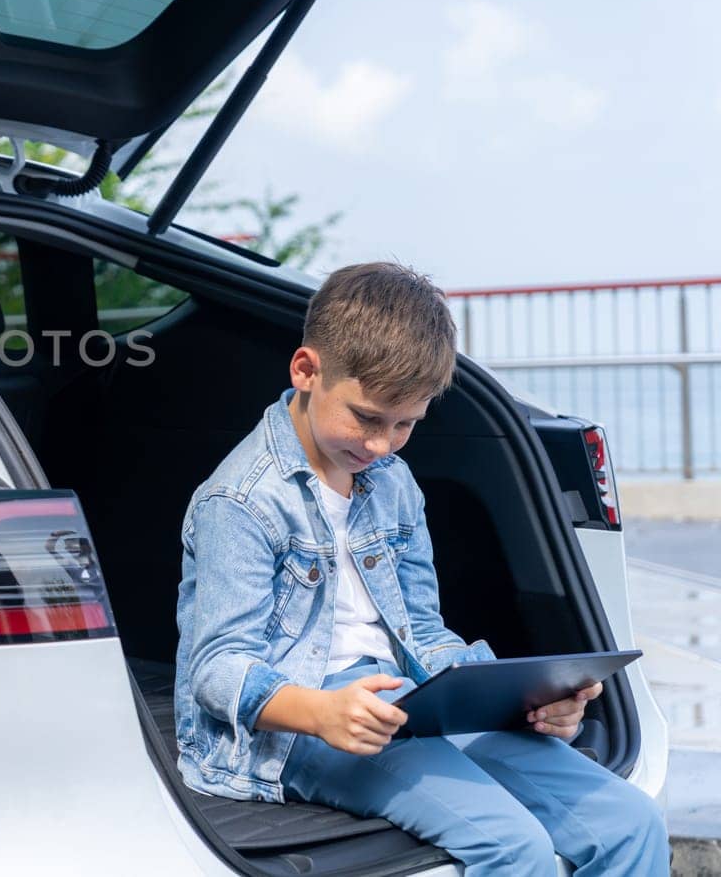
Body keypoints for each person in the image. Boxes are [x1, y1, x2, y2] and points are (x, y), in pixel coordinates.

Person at [174, 262, 667, 876]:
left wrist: (526, 699)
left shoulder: (393, 484)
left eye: (405, 424)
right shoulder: (240, 501)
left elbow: (425, 634)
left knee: (631, 824)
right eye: (367, 418)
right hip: (300, 729)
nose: (382, 445)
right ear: (306, 370)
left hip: (409, 700)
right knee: (515, 847)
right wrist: (323, 713)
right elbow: (217, 670)